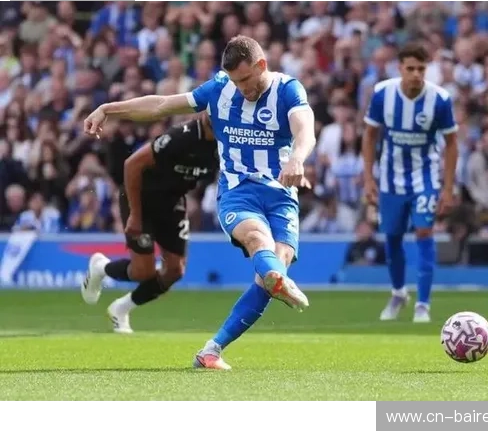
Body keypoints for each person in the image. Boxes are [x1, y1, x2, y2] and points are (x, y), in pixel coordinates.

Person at [83, 35, 316, 370]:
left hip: (282, 196)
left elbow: (305, 128)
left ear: (262, 65)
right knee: (257, 241)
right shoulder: (220, 89)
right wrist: (108, 108)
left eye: (246, 79)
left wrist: (297, 158)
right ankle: (276, 277)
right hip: (238, 192)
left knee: (268, 276)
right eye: (236, 81)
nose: (242, 89)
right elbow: (161, 105)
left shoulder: (288, 89)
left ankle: (211, 350)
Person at [81, 114, 219, 333]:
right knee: (142, 272)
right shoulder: (181, 137)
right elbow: (132, 164)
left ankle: (121, 309)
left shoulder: (227, 145)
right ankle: (101, 267)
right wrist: (135, 215)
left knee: (174, 270)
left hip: (173, 202)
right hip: (141, 198)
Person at [362, 42, 458, 323]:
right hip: (390, 178)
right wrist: (368, 178)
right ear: (400, 69)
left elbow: (452, 143)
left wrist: (447, 188)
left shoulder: (440, 99)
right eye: (411, 68)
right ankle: (398, 293)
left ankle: (423, 304)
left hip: (424, 177)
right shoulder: (383, 94)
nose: (416, 74)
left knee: (424, 232)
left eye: (421, 69)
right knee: (392, 237)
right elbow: (369, 136)